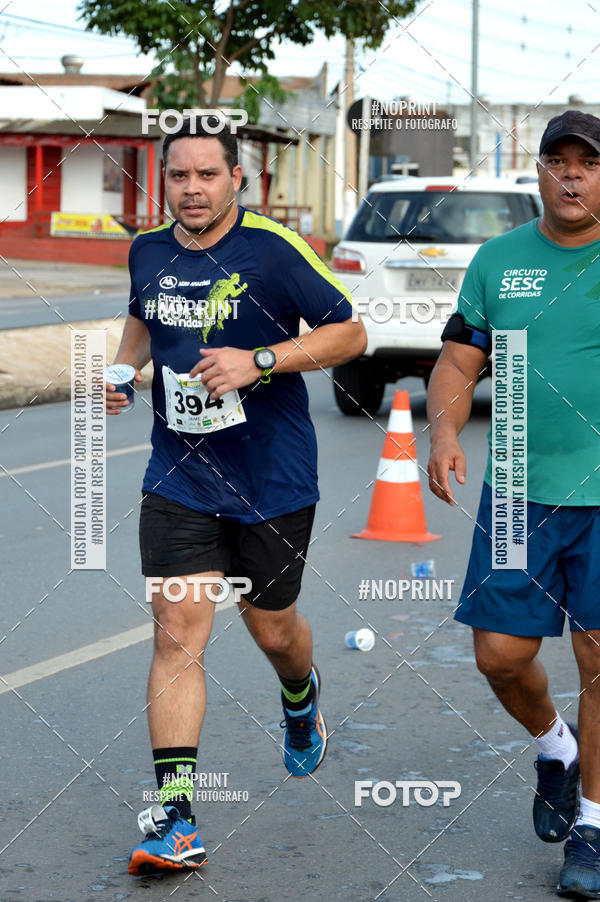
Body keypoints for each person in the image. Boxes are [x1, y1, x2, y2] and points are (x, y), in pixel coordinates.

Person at [105, 115, 366, 876]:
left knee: (273, 630)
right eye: (178, 176)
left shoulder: (271, 251)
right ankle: (176, 818)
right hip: (180, 478)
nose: (191, 189)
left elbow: (349, 333)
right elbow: (141, 314)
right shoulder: (147, 249)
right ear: (165, 181)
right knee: (178, 632)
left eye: (206, 175)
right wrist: (125, 372)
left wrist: (261, 359)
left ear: (235, 180)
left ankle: (299, 694)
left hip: (272, 479)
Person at [427, 110, 600, 898]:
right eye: (557, 161)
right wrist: (445, 433)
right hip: (519, 490)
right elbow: (461, 358)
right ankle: (555, 745)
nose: (571, 176)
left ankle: (592, 830)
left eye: (587, 164)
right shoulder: (500, 261)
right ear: (537, 172)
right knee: (500, 654)